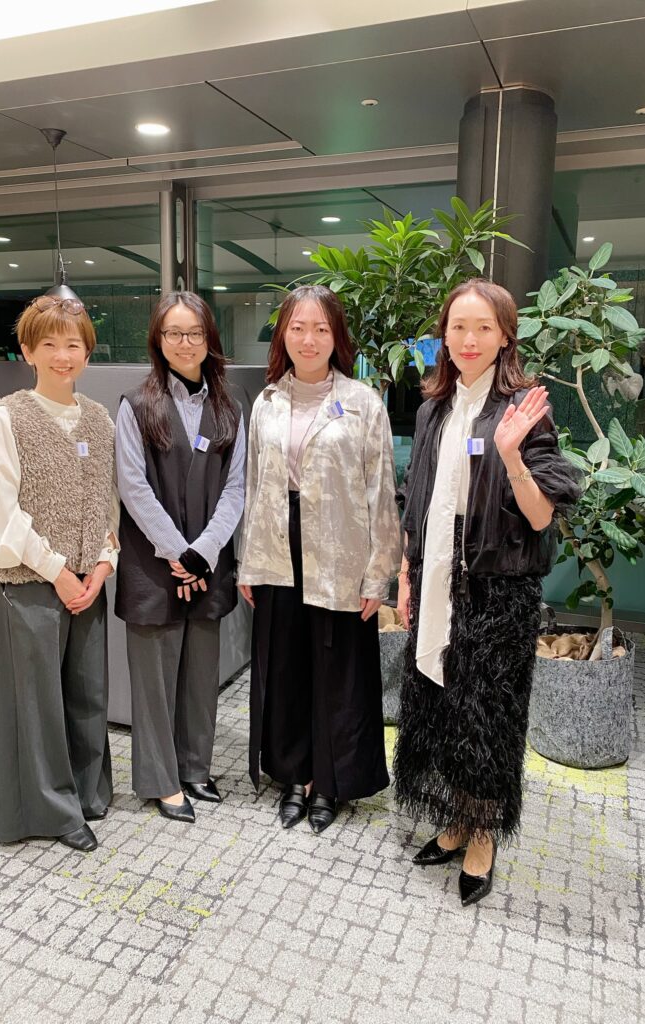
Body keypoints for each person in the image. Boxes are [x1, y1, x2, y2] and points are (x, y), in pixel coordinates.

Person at [394, 279, 580, 907]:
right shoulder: (433, 409)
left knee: (488, 716)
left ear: (505, 336)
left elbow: (540, 516)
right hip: (437, 575)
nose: (469, 339)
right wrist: (406, 576)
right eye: (458, 327)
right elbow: (417, 500)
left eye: (483, 327)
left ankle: (483, 835)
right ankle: (455, 819)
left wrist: (511, 455)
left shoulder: (524, 408)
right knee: (443, 705)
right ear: (443, 337)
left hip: (497, 590)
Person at [238, 284, 400, 835]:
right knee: (285, 663)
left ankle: (331, 781)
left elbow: (381, 491)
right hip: (277, 547)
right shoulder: (266, 402)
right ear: (283, 334)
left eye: (321, 329)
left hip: (340, 548)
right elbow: (253, 485)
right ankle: (295, 775)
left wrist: (379, 574)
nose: (308, 339)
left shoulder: (362, 401)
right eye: (298, 328)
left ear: (337, 337)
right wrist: (248, 560)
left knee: (338, 668)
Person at [0, 294, 119, 852]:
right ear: (27, 351)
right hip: (27, 584)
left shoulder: (98, 419)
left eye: (73, 344)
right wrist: (57, 570)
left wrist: (104, 563)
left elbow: (107, 502)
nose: (63, 356)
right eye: (49, 344)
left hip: (87, 582)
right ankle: (49, 812)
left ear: (88, 352)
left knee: (87, 696)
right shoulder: (7, 418)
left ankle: (86, 792)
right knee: (35, 705)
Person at [115, 291, 244, 824]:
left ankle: (195, 768)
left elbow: (236, 488)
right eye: (174, 333)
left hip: (206, 565)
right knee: (154, 680)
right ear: (158, 339)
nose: (184, 343)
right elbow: (132, 485)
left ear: (209, 338)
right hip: (154, 565)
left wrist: (203, 553)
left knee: (199, 677)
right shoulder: (136, 405)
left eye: (194, 333)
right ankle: (161, 781)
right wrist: (177, 552)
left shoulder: (229, 406)